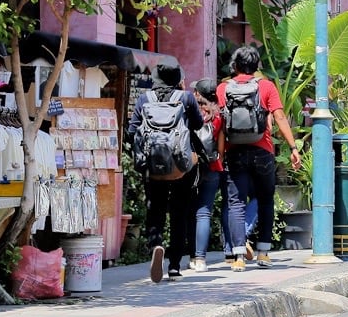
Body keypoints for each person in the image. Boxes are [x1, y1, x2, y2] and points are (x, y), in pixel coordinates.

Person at [219, 45, 302, 269]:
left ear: (234, 66)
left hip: (234, 151)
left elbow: (220, 126)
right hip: (263, 151)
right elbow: (280, 117)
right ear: (257, 67)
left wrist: (219, 155)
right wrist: (293, 148)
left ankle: (237, 257)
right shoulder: (266, 87)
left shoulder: (223, 89)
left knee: (236, 203)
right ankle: (263, 253)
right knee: (265, 200)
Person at [126, 63, 203, 282]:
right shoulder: (186, 98)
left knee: (155, 209)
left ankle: (156, 244)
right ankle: (175, 266)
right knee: (179, 214)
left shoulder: (144, 99)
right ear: (177, 77)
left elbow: (132, 131)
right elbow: (197, 124)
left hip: (153, 166)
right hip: (181, 165)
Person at [191, 79, 234, 273]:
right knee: (204, 212)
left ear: (198, 94)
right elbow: (221, 147)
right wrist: (218, 158)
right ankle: (201, 259)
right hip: (212, 166)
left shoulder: (190, 111)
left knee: (188, 211)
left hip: (190, 166)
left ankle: (192, 255)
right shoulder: (219, 115)